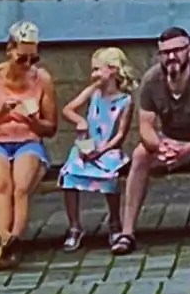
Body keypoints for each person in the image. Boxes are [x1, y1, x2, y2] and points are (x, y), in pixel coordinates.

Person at [114, 25, 190, 253]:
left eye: (178, 50)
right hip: (170, 138)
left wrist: (186, 150)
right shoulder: (151, 80)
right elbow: (145, 127)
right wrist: (161, 147)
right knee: (139, 154)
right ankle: (126, 233)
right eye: (166, 53)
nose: (172, 57)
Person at [0, 21, 58, 268]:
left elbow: (51, 128)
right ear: (9, 50)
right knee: (1, 185)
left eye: (33, 59)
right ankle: (7, 241)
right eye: (22, 59)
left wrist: (33, 121)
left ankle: (8, 244)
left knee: (21, 185)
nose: (28, 65)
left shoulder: (42, 79)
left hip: (28, 140)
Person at [57, 47, 135, 248]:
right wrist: (80, 121)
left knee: (110, 176)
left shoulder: (125, 100)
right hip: (86, 143)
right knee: (69, 174)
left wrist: (102, 150)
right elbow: (68, 109)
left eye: (97, 70)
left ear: (112, 70)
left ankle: (115, 221)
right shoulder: (93, 92)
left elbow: (120, 134)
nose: (93, 75)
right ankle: (74, 225)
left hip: (107, 148)